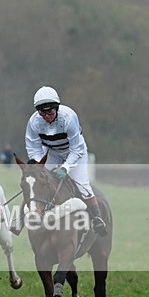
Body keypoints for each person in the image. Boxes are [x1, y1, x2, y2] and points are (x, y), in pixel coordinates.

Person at [24, 85, 107, 235]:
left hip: (75, 152)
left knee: (82, 184)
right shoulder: (34, 122)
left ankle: (97, 218)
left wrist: (66, 168)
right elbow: (33, 149)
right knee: (34, 181)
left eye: (50, 112)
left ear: (56, 108)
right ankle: (25, 217)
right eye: (43, 112)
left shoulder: (68, 118)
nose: (47, 116)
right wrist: (37, 166)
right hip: (51, 153)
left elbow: (76, 149)